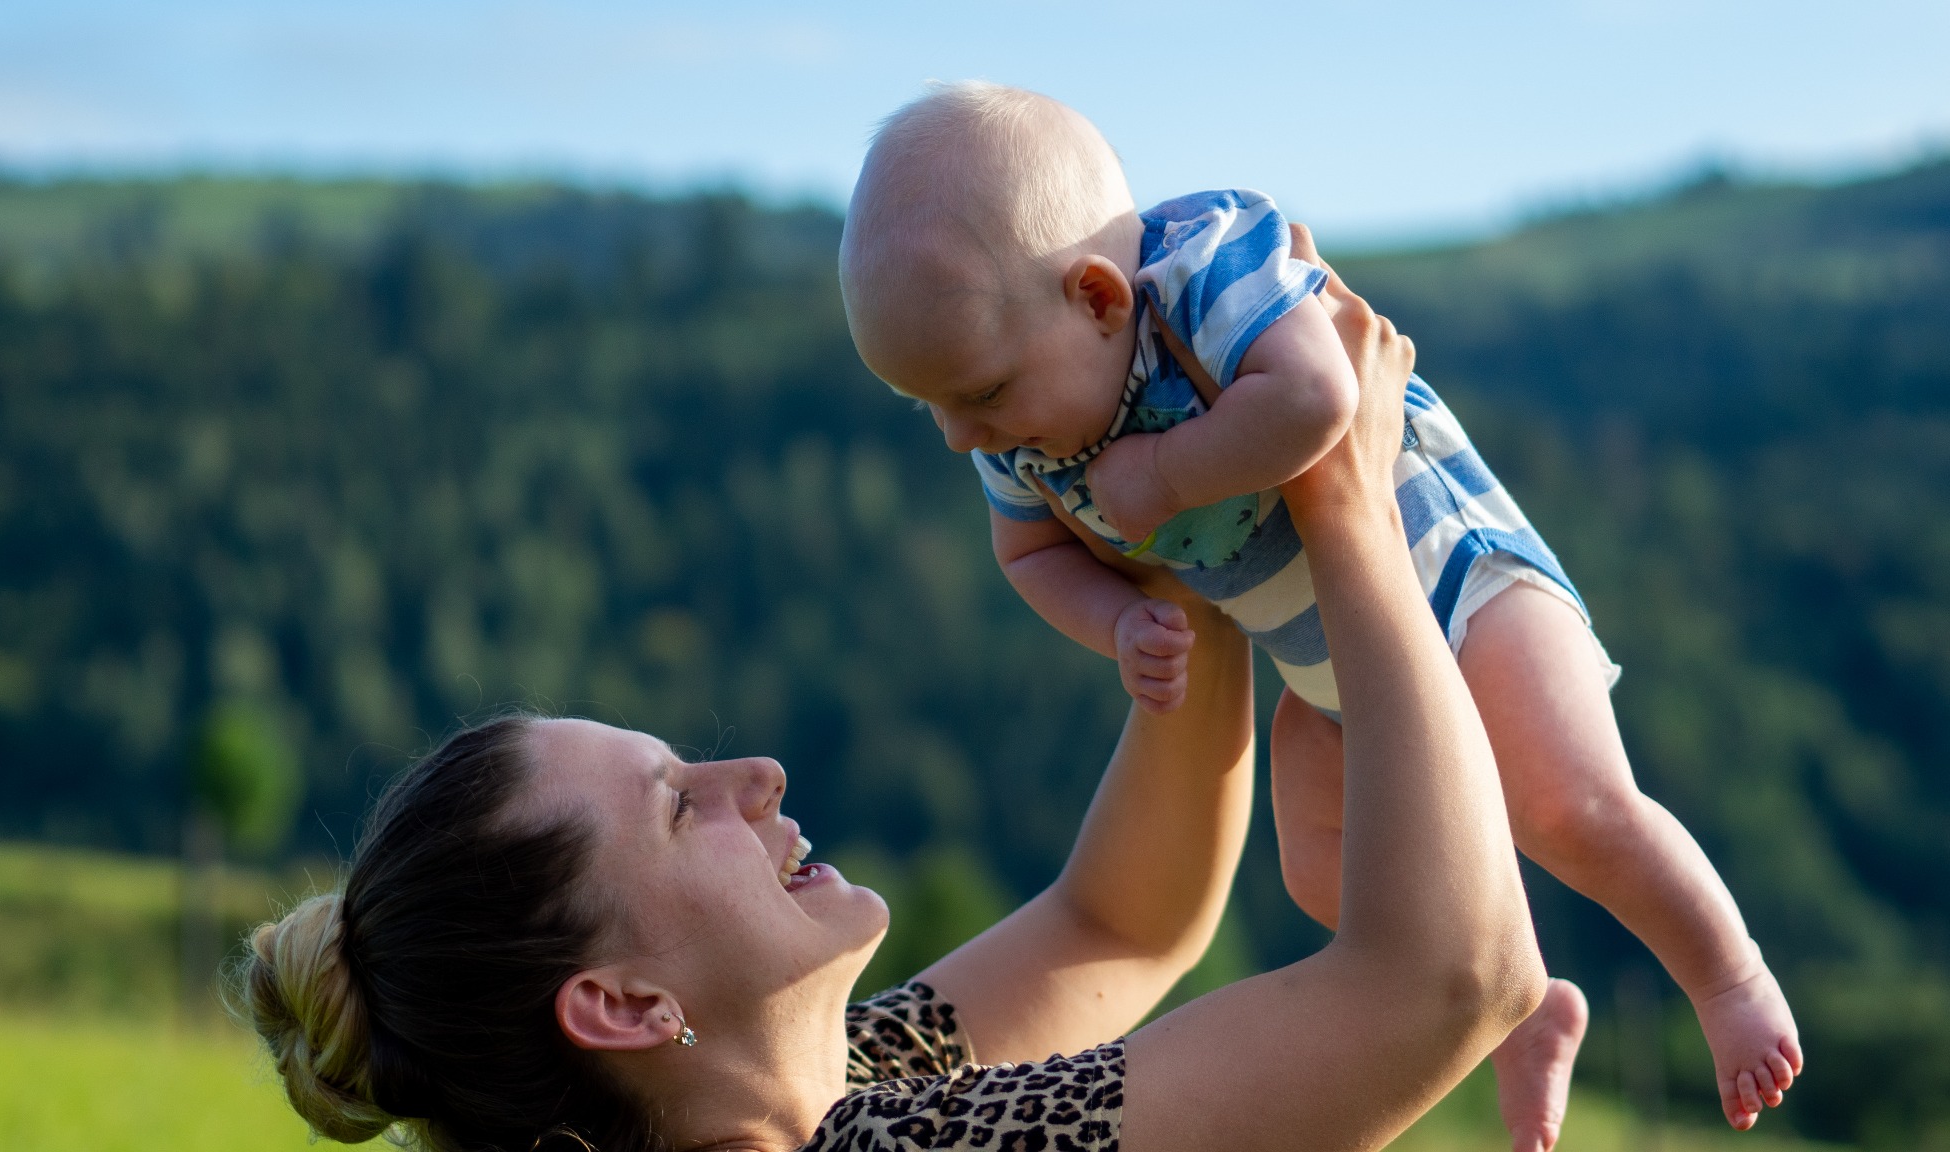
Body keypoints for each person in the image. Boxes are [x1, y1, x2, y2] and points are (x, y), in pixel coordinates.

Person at [239, 248, 1547, 1152]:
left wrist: (1162, 514)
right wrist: (1348, 505)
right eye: (679, 810)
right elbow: (1450, 981)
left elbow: (1123, 923)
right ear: (630, 1008)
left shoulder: (839, 1084)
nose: (751, 777)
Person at [836, 81, 1801, 1144]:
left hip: (1453, 577)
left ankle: (1727, 978)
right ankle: (1515, 1006)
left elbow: (1323, 399)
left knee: (1569, 805)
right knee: (1326, 871)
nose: (959, 438)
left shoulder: (1204, 268)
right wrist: (1113, 621)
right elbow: (1024, 555)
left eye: (973, 395)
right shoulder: (1020, 420)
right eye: (923, 404)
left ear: (1099, 299)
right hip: (1324, 666)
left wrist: (1164, 474)